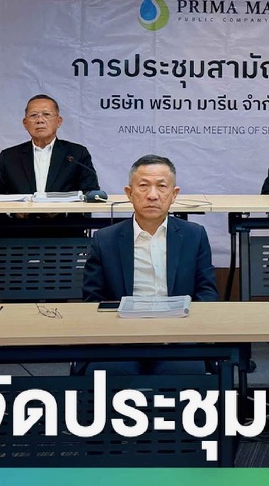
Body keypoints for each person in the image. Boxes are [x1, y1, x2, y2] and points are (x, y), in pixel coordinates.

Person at [80, 155, 216, 375]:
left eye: (161, 186)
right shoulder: (105, 239)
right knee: (109, 374)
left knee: (185, 374)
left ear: (174, 194)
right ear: (129, 193)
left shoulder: (194, 235)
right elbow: (92, 300)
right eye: (143, 186)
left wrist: (186, 330)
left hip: (177, 338)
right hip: (120, 339)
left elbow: (206, 293)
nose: (152, 195)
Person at [0, 94, 100, 195]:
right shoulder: (9, 157)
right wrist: (14, 209)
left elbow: (91, 193)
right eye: (33, 115)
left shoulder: (76, 154)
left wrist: (62, 210)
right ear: (25, 123)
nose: (40, 120)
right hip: (20, 218)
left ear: (58, 121)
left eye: (46, 114)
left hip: (63, 218)